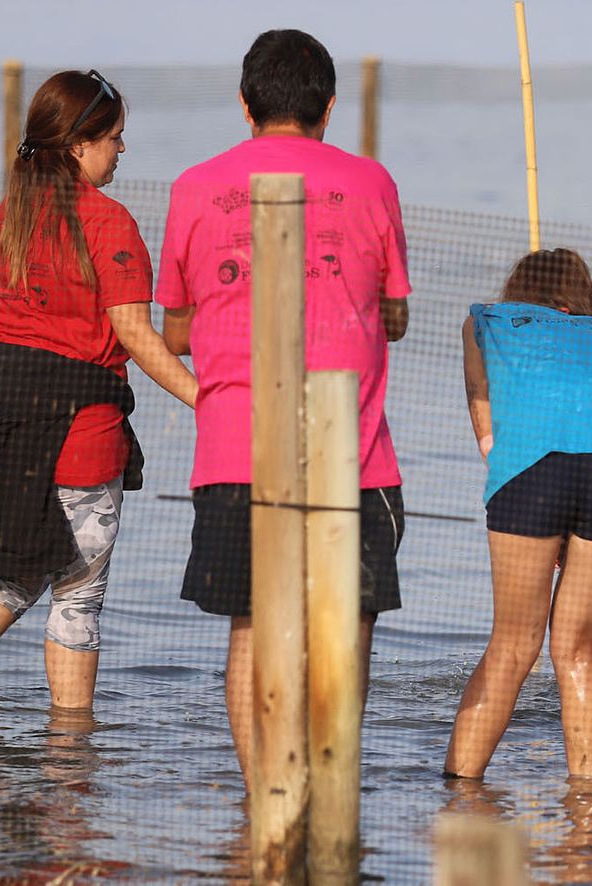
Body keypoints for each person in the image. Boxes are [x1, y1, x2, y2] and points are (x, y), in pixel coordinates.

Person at [155, 29, 410, 783]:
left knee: (250, 629)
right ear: (329, 107)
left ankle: (262, 805)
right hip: (354, 455)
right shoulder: (373, 183)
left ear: (245, 104)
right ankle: (330, 791)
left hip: (237, 445)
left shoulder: (193, 187)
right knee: (347, 631)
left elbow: (177, 329)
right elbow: (396, 314)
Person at [0, 70, 197, 709]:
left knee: (18, 571)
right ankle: (72, 750)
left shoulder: (10, 216)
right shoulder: (110, 223)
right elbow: (133, 334)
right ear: (80, 145)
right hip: (81, 434)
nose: (122, 151)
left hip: (4, 428)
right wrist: (211, 401)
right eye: (114, 138)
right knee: (79, 594)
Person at [446, 248, 592, 781]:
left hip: (535, 465)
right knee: (578, 649)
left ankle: (461, 789)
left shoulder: (483, 322)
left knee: (513, 644)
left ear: (516, 286)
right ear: (581, 294)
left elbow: (483, 412)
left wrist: (509, 473)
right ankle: (588, 808)